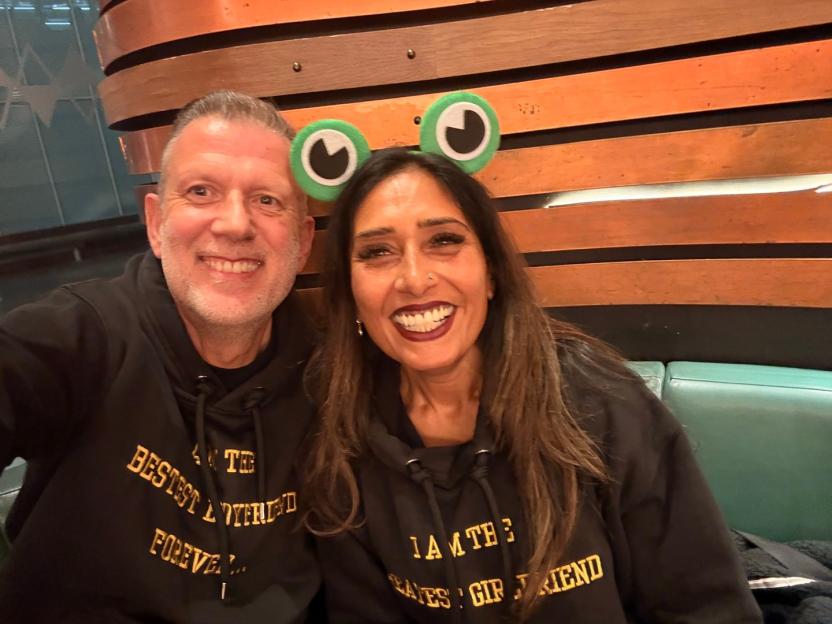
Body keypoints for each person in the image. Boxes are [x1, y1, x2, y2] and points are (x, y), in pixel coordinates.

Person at [304, 147, 763, 623]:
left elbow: (708, 609)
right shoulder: (342, 449)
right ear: (352, 296)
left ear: (492, 274)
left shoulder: (599, 401)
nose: (415, 279)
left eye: (444, 240)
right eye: (377, 252)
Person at [0, 90, 321, 622]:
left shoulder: (329, 374)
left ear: (303, 241)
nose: (235, 224)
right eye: (201, 191)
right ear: (155, 223)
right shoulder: (85, 336)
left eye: (268, 200)